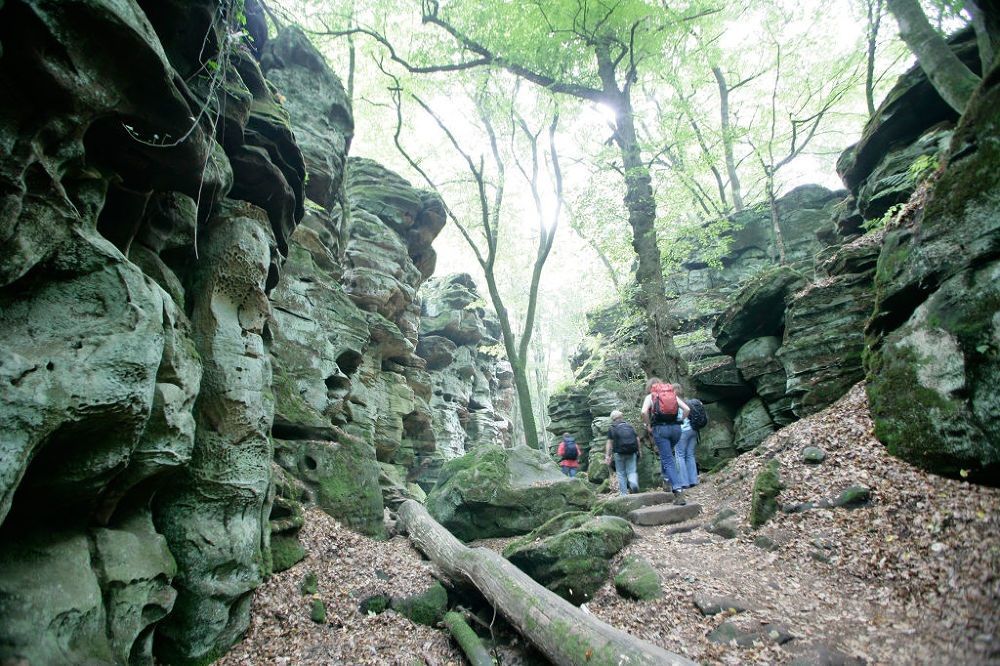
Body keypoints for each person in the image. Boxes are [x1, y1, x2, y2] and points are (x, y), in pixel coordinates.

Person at [641, 377, 689, 505]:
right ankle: (667, 480)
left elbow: (644, 412)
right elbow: (687, 409)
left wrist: (648, 426)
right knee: (666, 454)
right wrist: (680, 421)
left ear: (650, 387)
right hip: (676, 430)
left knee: (668, 459)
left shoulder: (650, 396)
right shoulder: (672, 394)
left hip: (661, 430)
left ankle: (678, 491)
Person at [604, 410, 640, 495]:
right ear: (621, 416)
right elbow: (637, 439)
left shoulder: (612, 428)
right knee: (631, 471)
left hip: (619, 453)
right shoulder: (629, 426)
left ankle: (623, 494)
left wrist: (607, 456)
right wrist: (639, 450)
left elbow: (609, 443)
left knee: (621, 473)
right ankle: (633, 483)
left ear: (612, 419)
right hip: (632, 452)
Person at [672, 383, 699, 490]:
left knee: (680, 455)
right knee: (690, 455)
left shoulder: (674, 403)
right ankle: (693, 480)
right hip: (693, 429)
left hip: (682, 431)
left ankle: (684, 482)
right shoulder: (687, 401)